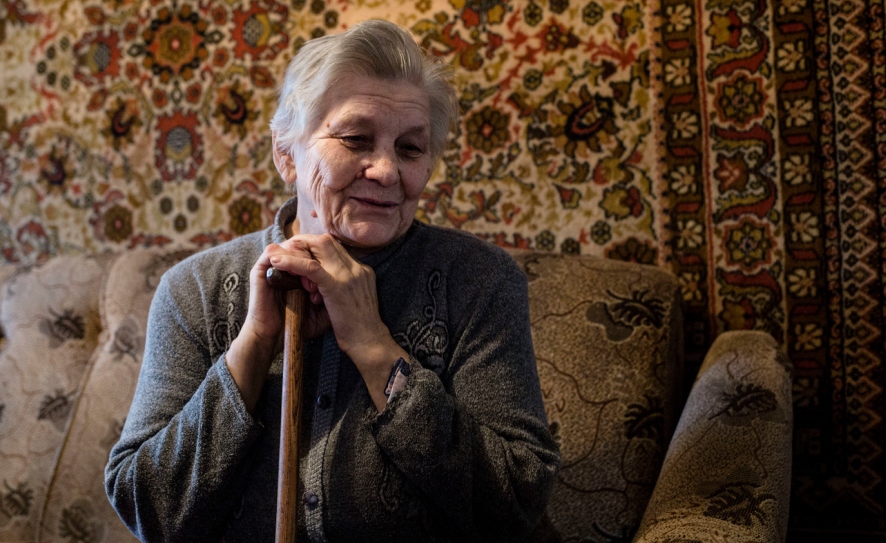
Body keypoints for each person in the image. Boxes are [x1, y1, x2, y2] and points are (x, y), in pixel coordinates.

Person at [105, 19, 560, 543]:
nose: (387, 171)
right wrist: (252, 346)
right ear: (286, 154)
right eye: (355, 139)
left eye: (410, 149)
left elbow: (517, 501)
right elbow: (148, 512)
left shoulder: (480, 283)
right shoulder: (195, 290)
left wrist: (374, 345)